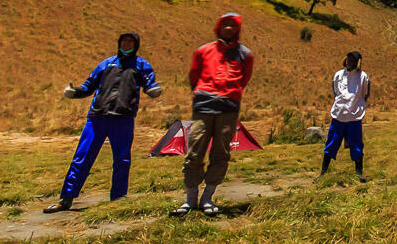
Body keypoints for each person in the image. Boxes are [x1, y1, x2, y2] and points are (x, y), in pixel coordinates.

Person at [44, 32, 163, 213]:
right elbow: (89, 86)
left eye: (131, 41)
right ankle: (66, 199)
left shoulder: (141, 65)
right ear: (119, 43)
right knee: (82, 157)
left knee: (122, 160)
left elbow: (149, 84)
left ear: (136, 45)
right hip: (97, 117)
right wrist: (75, 92)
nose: (126, 43)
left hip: (123, 118)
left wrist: (153, 90)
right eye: (124, 41)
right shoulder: (106, 64)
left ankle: (118, 199)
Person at [171, 12, 254, 217]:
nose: (228, 28)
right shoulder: (203, 51)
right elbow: (194, 75)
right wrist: (202, 92)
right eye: (224, 24)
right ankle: (190, 200)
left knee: (221, 153)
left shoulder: (245, 55)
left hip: (228, 108)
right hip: (203, 107)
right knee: (195, 151)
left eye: (232, 25)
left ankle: (207, 198)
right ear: (218, 27)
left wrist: (230, 94)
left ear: (238, 29)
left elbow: (244, 79)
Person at [321, 51, 371, 182]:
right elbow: (336, 92)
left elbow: (365, 94)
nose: (350, 62)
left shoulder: (363, 77)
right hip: (338, 116)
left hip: (354, 117)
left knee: (356, 145)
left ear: (358, 63)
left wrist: (356, 106)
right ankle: (323, 173)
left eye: (353, 60)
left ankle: (359, 174)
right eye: (348, 59)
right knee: (331, 144)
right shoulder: (338, 75)